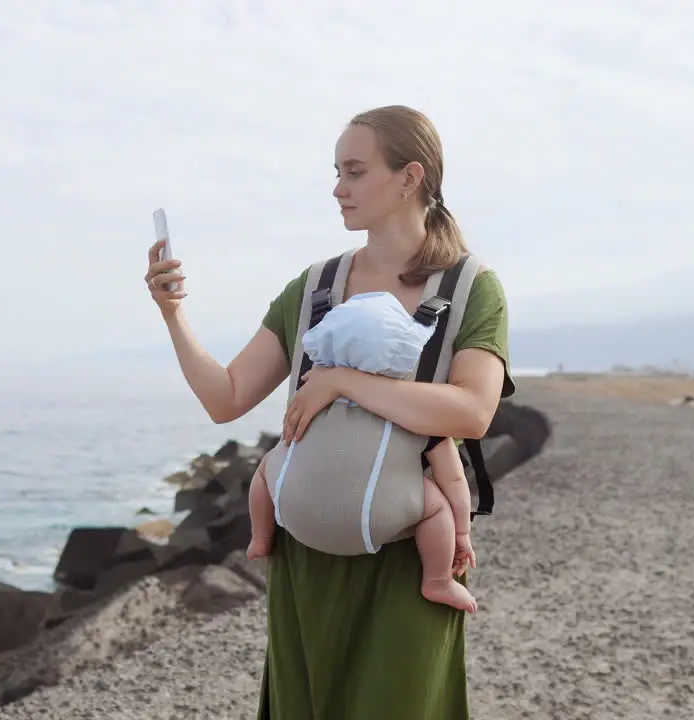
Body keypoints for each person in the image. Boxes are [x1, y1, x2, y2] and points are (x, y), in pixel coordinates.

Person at [144, 104, 512, 718]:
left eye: (354, 171)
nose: (337, 188)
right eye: (337, 171)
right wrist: (173, 314)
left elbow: (474, 412)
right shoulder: (314, 288)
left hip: (408, 559)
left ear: (408, 177)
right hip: (306, 556)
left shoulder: (472, 288)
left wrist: (341, 380)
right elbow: (225, 398)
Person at [245, 298, 479, 613]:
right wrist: (462, 532)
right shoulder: (415, 412)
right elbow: (454, 478)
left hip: (294, 518)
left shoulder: (310, 396)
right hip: (370, 524)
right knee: (437, 504)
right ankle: (437, 580)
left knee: (264, 467)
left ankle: (260, 536)